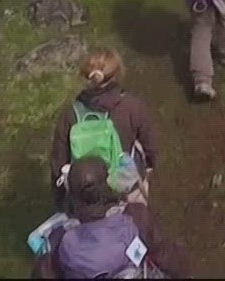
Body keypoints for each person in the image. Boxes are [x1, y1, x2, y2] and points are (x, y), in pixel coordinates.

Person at [30, 157, 178, 279]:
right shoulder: (136, 216)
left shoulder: (59, 238)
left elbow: (42, 274)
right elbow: (165, 255)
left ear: (72, 194)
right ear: (106, 186)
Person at [48, 49, 159, 207]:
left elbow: (58, 160)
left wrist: (60, 200)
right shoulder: (132, 106)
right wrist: (149, 166)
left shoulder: (70, 114)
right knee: (137, 223)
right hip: (125, 185)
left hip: (86, 194)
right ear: (117, 73)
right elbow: (150, 145)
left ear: (86, 76)